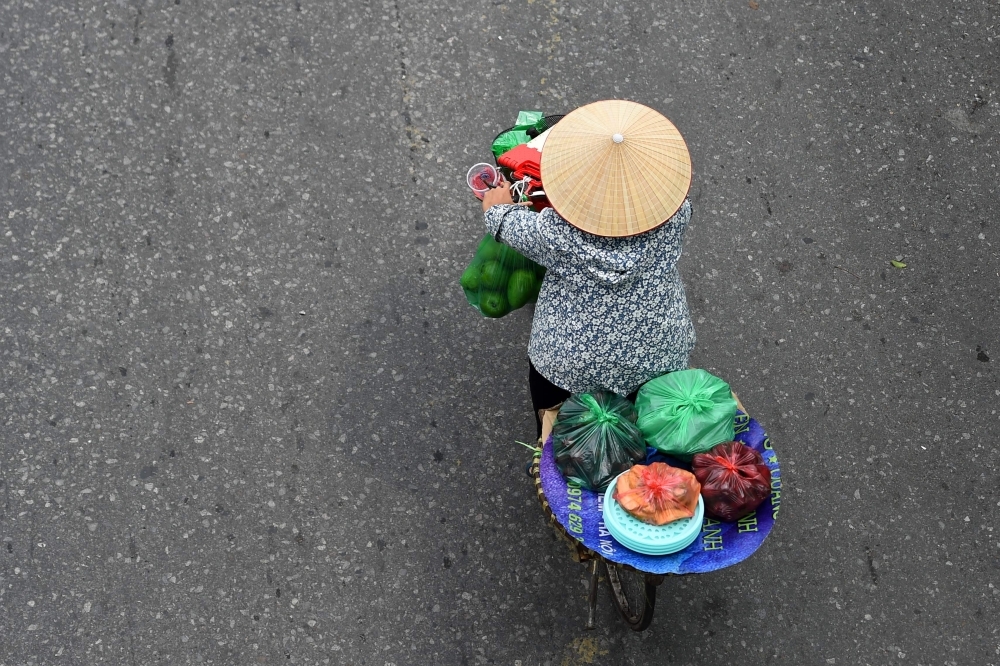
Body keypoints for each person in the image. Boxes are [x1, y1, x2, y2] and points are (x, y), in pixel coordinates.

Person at [479, 100, 696, 443]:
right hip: (658, 356)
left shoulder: (556, 234)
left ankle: (553, 458)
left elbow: (505, 222)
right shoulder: (676, 215)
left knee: (565, 436)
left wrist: (496, 207)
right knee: (649, 433)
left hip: (570, 365)